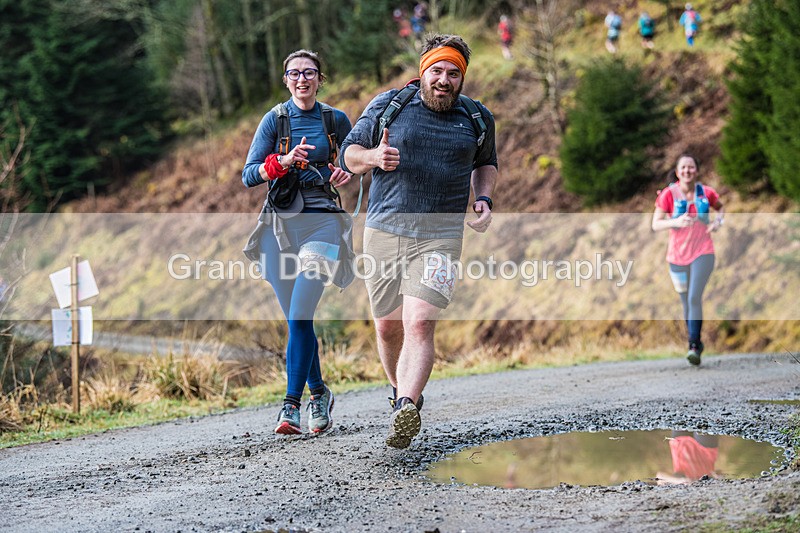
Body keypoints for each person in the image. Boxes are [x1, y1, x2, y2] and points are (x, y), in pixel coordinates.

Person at [340, 34, 497, 449]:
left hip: (442, 238)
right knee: (388, 326)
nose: (444, 80)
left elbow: (486, 164)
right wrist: (373, 158)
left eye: (453, 73)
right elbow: (348, 154)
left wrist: (482, 198)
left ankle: (408, 405)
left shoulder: (477, 118)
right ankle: (400, 394)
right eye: (437, 71)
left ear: (462, 78)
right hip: (385, 232)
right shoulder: (390, 105)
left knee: (420, 323)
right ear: (423, 70)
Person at [242, 50, 353, 435]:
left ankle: (290, 407)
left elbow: (355, 159)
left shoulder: (335, 119)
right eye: (294, 73)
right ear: (285, 79)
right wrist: (283, 161)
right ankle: (319, 393)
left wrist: (345, 172)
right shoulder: (274, 120)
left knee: (302, 310)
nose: (302, 79)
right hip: (279, 226)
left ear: (320, 78)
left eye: (309, 73)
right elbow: (249, 175)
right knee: (296, 318)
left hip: (323, 222)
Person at [652, 155, 725, 366]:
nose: (687, 171)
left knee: (694, 297)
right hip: (676, 257)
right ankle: (696, 341)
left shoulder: (706, 193)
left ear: (697, 170)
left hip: (704, 252)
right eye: (683, 167)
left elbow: (720, 209)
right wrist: (675, 221)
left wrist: (718, 222)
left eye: (691, 167)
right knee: (685, 301)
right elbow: (655, 224)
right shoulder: (668, 195)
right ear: (677, 172)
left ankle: (693, 345)